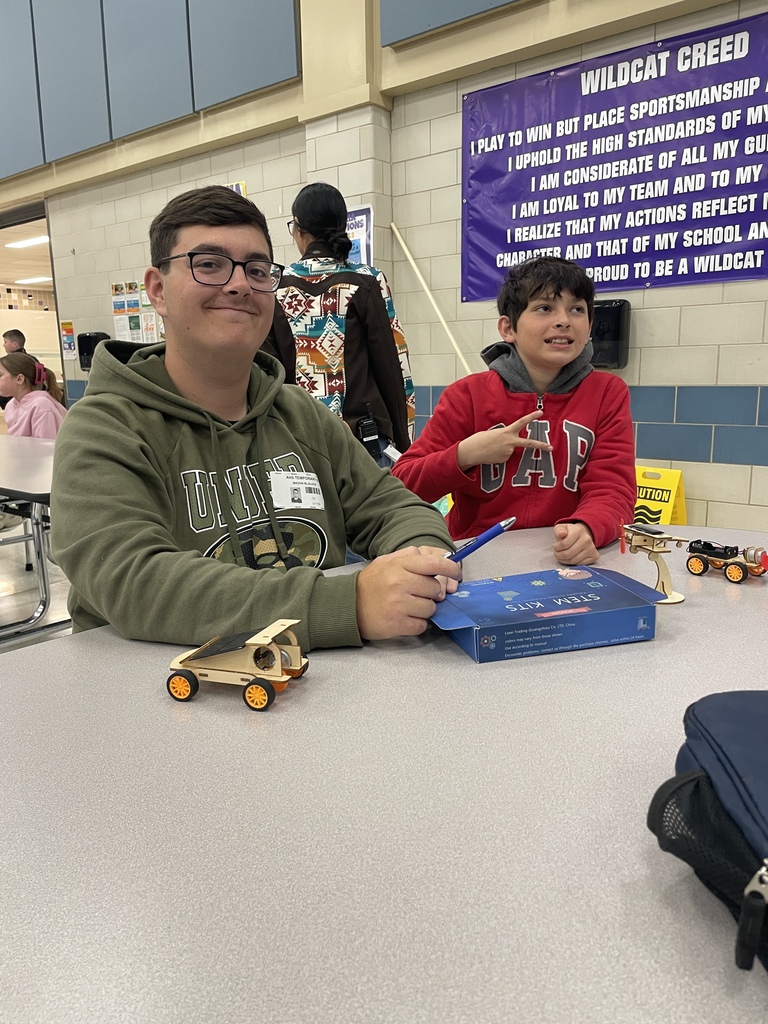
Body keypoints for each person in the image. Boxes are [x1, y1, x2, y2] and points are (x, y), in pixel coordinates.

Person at [51, 185, 460, 649]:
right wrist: (347, 604)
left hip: (317, 687)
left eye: (257, 269)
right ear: (158, 290)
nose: (239, 284)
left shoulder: (301, 413)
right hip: (162, 697)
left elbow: (394, 507)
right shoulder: (102, 429)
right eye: (208, 264)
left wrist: (425, 562)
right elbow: (133, 581)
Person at [392, 256, 636, 566]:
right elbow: (403, 485)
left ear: (589, 325)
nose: (564, 320)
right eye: (544, 308)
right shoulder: (467, 395)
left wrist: (588, 528)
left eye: (577, 309)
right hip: (476, 560)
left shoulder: (608, 393)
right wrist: (466, 453)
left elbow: (614, 487)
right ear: (508, 328)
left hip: (563, 562)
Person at [263, 182, 414, 465]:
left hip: (299, 445)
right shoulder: (367, 281)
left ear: (298, 227)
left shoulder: (276, 288)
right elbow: (394, 367)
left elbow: (269, 373)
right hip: (364, 443)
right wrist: (406, 444)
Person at [0, 352, 67, 438]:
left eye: (0, 375)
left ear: (19, 379)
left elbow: (47, 448)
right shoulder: (11, 405)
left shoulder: (41, 406)